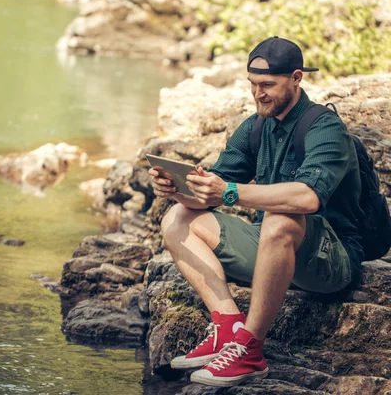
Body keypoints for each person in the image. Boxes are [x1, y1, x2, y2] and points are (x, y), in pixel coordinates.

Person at [149, 36, 363, 388]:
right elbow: (213, 193)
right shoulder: (256, 127)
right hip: (274, 250)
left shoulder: (325, 127)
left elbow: (307, 198)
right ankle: (229, 326)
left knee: (281, 216)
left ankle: (250, 352)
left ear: (296, 78)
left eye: (267, 85)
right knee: (177, 218)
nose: (258, 94)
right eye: (252, 85)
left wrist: (230, 192)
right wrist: (180, 190)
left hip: (330, 259)